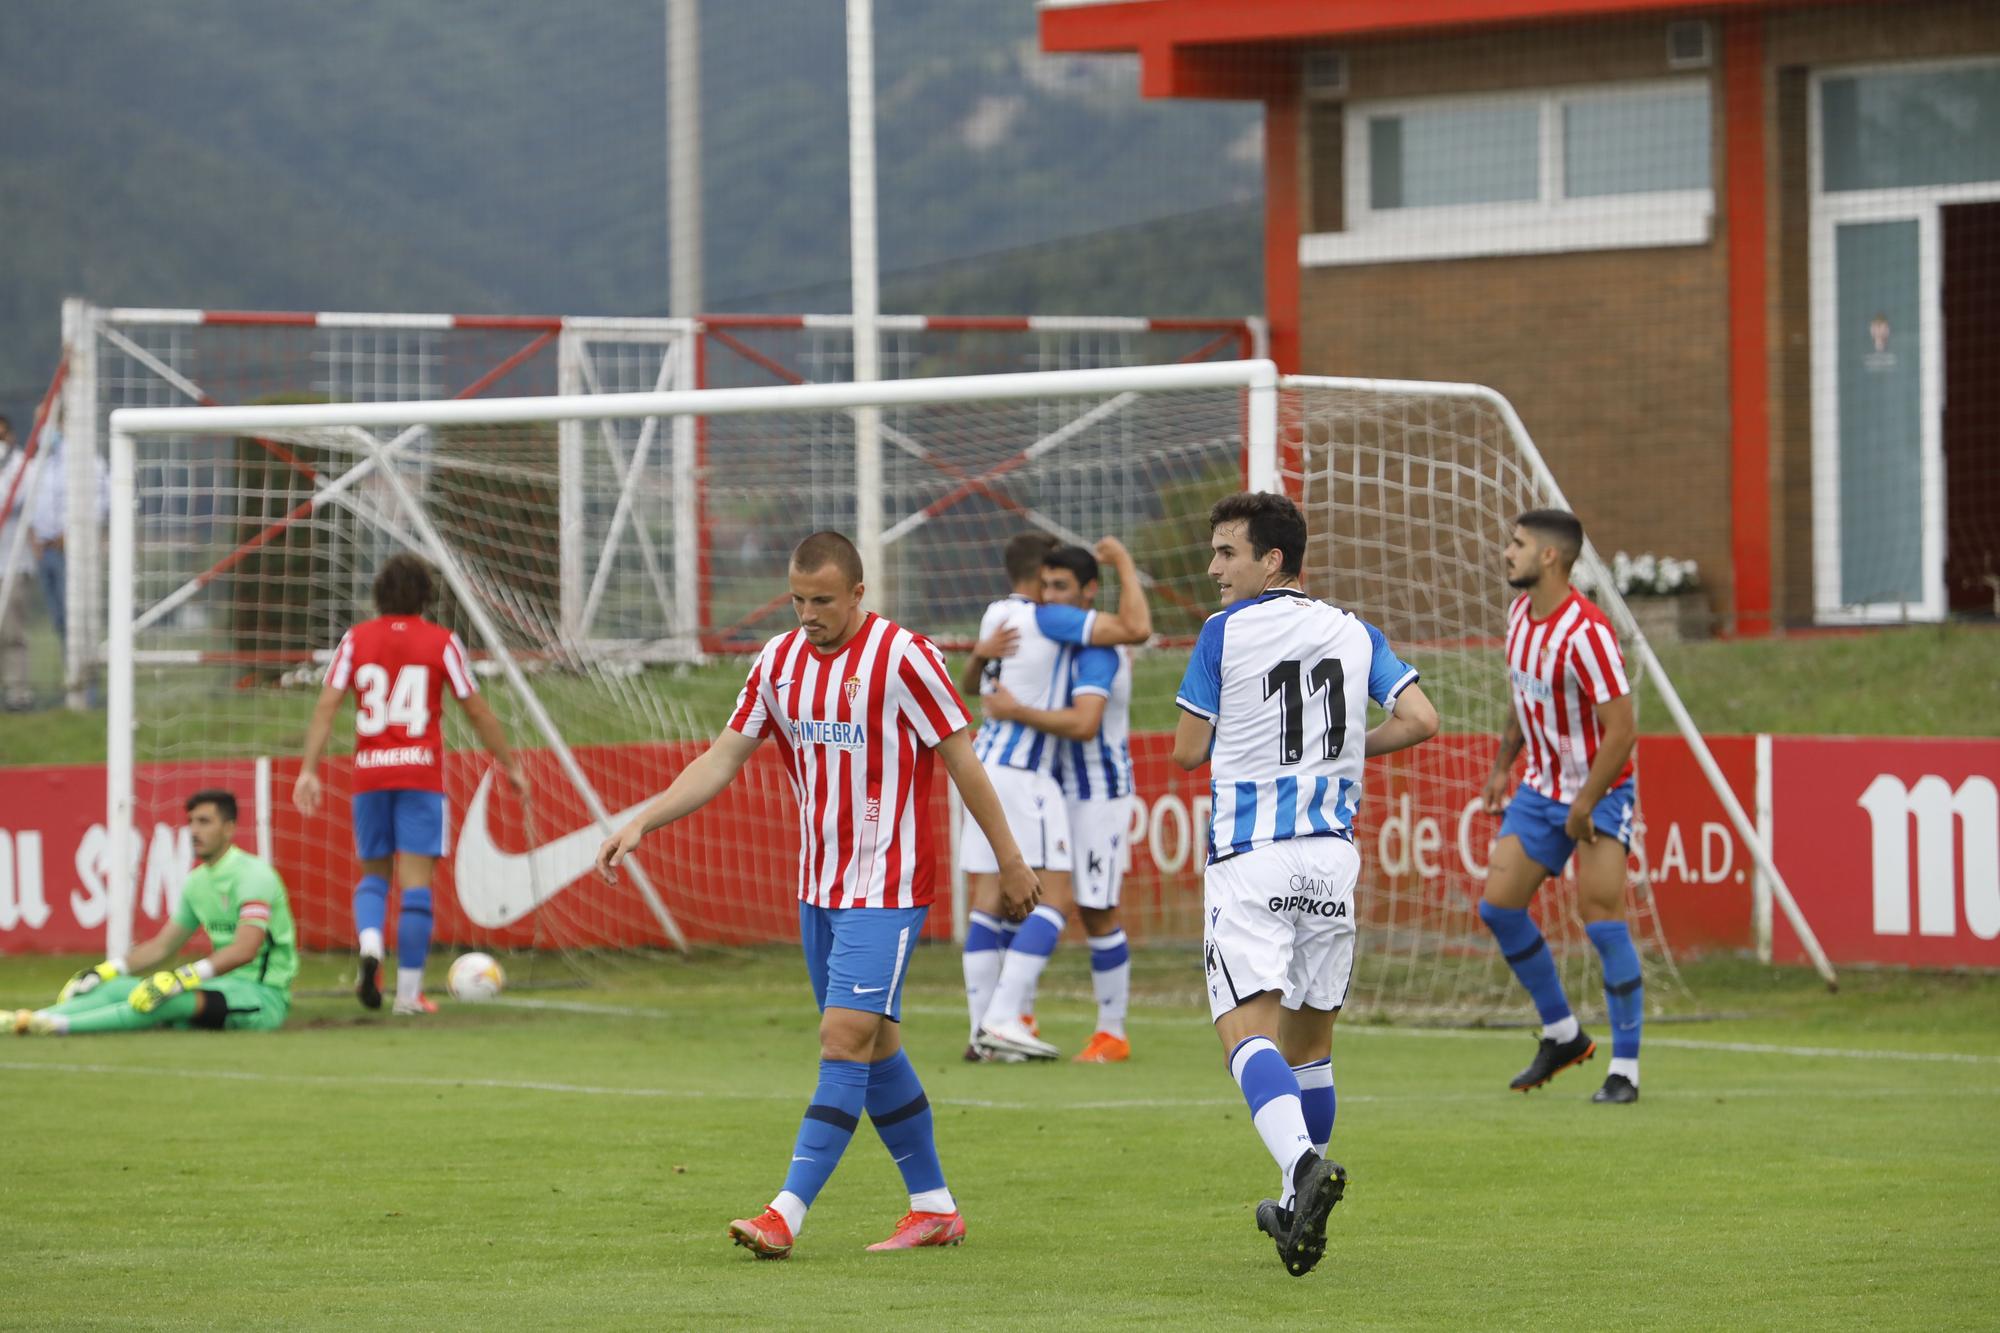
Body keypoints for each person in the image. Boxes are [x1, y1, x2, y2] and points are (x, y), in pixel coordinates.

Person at [595, 531, 1040, 1259]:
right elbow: (722, 756)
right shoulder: (776, 662)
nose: (809, 614)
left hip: (887, 885)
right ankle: (934, 1206)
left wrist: (1012, 862)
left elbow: (964, 760)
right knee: (875, 1046)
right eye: (798, 600)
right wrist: (642, 818)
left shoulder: (905, 656)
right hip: (818, 888)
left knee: (841, 1040)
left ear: (859, 593)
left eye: (823, 601)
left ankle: (784, 1214)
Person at [1171, 492, 1438, 1276]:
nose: (1214, 568)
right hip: (1331, 859)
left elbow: (1189, 749)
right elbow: (1422, 717)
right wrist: (1343, 753)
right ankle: (1298, 1211)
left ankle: (1299, 1172)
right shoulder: (1354, 631)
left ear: (1271, 560)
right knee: (1311, 1046)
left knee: (1245, 1032)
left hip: (1253, 856)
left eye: (1227, 553)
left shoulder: (1225, 631)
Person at [294, 554, 527, 1015]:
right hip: (420, 776)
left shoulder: (355, 640)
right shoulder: (441, 642)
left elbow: (326, 706)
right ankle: (407, 996)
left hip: (370, 775)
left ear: (378, 596)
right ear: (426, 596)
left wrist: (308, 769)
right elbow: (476, 710)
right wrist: (510, 763)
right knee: (416, 885)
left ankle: (370, 944)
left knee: (373, 875)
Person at [955, 531, 1152, 1062]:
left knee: (1090, 907)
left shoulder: (1078, 641)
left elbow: (1087, 721)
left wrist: (1009, 702)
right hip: (1037, 779)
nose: (1052, 595)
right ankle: (1001, 1020)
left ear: (1088, 591)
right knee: (1033, 898)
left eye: (1061, 585)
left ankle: (1105, 1030)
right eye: (1047, 583)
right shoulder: (1044, 624)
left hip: (1094, 791)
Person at [1477, 509, 1643, 1104]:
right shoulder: (1520, 616)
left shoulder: (1587, 632)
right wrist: (1502, 767)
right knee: (1498, 907)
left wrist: (1587, 803)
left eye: (1517, 544)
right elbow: (1524, 700)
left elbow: (1622, 731)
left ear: (1550, 557)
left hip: (1599, 793)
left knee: (1601, 919)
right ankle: (1564, 1032)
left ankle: (1624, 1069)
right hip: (1539, 790)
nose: (1507, 552)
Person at [11, 790, 298, 1036]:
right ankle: (27, 1018)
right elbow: (162, 946)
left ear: (229, 828)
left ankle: (59, 1024)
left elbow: (245, 950)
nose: (194, 831)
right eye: (191, 823)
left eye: (204, 822)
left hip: (262, 996)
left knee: (159, 998)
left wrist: (182, 978)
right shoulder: (197, 882)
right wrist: (105, 971)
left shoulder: (254, 876)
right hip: (218, 986)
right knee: (114, 988)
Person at [0, 415, 32, 711]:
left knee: (12, 631)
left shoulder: (21, 465)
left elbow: (18, 499)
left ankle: (17, 693)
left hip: (13, 562)